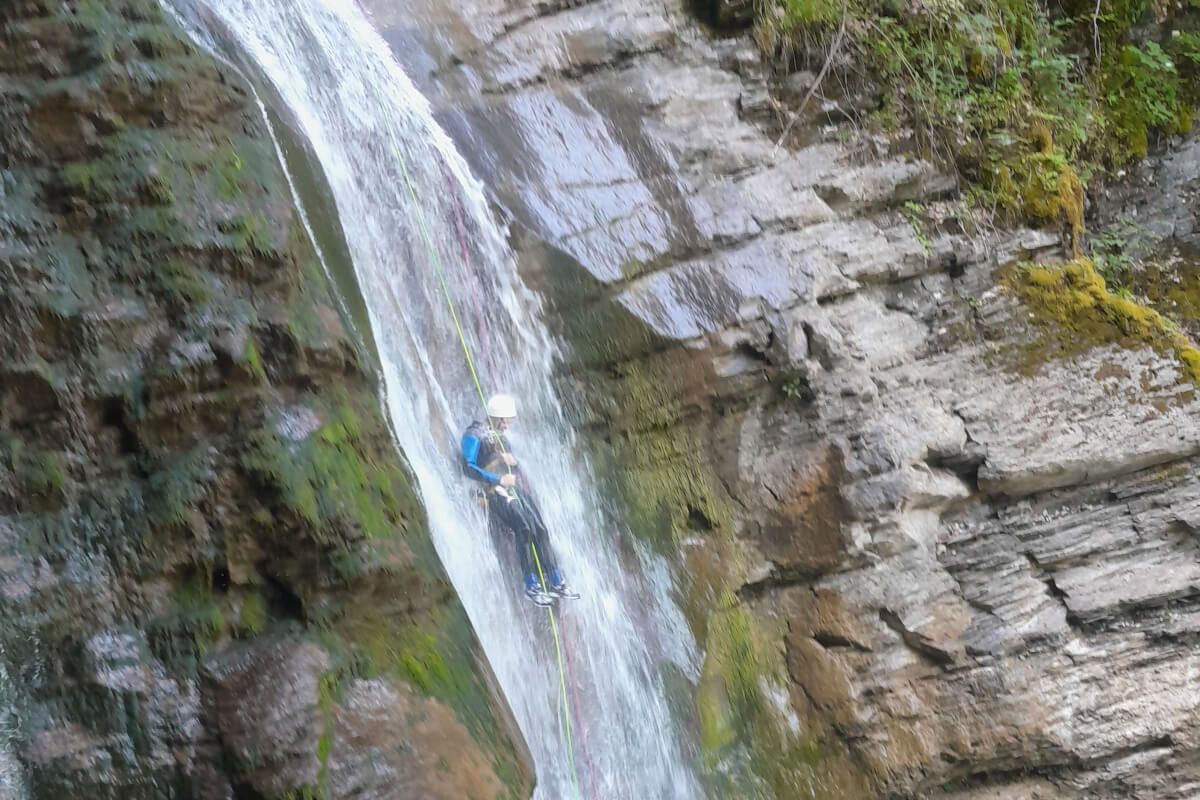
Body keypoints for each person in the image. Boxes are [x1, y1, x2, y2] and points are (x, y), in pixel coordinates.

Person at [461, 393, 579, 607]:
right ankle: (531, 586)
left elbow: (512, 466)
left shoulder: (501, 439)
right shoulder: (473, 435)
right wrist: (498, 477)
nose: (507, 425)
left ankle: (556, 580)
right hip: (491, 490)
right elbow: (468, 467)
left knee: (540, 528)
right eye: (506, 420)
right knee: (523, 527)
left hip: (510, 488)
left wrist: (511, 462)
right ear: (497, 418)